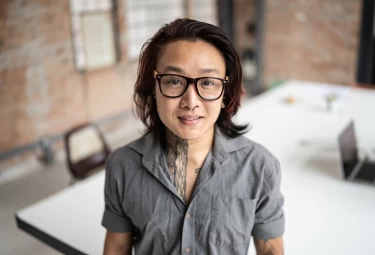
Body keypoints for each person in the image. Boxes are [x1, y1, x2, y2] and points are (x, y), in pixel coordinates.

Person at [102, 18, 285, 255]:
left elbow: (271, 249)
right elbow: (116, 247)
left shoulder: (260, 167)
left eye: (207, 82)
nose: (191, 102)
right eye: (174, 81)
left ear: (225, 94)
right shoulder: (122, 166)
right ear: (153, 89)